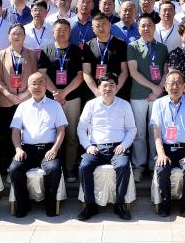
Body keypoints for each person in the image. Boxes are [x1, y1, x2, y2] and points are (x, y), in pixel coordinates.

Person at [76, 73, 137, 221]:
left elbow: (132, 129)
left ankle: (120, 204)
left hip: (118, 148)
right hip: (96, 148)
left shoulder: (124, 105)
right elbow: (81, 128)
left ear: (116, 87)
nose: (108, 88)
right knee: (84, 166)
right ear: (98, 88)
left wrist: (124, 145)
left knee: (123, 166)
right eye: (104, 85)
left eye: (111, 85)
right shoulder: (91, 105)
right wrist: (88, 146)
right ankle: (90, 205)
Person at [8, 73, 68, 218]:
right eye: (33, 83)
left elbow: (61, 130)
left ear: (46, 86)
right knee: (15, 169)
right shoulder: (22, 107)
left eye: (41, 83)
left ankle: (50, 206)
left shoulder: (55, 106)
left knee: (53, 169)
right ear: (28, 87)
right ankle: (23, 205)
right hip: (26, 149)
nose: (37, 86)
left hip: (48, 149)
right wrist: (18, 149)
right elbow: (15, 132)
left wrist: (54, 149)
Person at [37, 19, 86, 181]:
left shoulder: (77, 50)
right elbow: (42, 74)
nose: (61, 32)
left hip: (72, 99)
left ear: (70, 32)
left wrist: (64, 92)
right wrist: (55, 93)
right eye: (58, 29)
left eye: (65, 29)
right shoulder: (46, 50)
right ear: (53, 32)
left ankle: (70, 168)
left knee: (72, 135)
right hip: (51, 100)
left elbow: (80, 76)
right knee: (52, 134)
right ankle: (53, 167)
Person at [150, 70, 185, 217]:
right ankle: (166, 203)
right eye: (172, 83)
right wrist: (161, 154)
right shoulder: (158, 104)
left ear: (184, 86)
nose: (175, 86)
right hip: (166, 148)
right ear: (166, 86)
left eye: (179, 83)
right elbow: (156, 132)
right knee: (161, 168)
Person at [0, 23, 41, 173]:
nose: (17, 36)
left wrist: (24, 95)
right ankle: (7, 168)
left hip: (26, 101)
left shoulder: (31, 54)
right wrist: (10, 95)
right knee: (6, 135)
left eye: (20, 33)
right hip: (6, 101)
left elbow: (35, 78)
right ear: (8, 36)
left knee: (25, 134)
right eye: (14, 33)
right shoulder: (0, 55)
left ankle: (24, 165)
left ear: (24, 37)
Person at [127, 13, 169, 177]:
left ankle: (155, 163)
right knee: (139, 133)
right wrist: (154, 88)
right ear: (138, 28)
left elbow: (166, 71)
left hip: (158, 97)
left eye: (149, 25)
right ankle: (139, 165)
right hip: (138, 95)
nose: (146, 28)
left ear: (154, 27)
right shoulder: (132, 47)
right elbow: (133, 72)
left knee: (155, 131)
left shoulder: (162, 48)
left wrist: (158, 90)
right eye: (143, 25)